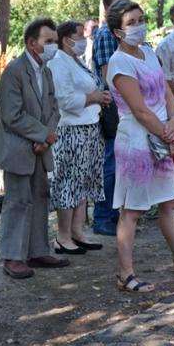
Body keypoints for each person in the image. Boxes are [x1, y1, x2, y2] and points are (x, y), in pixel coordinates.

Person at [105, 0, 174, 293]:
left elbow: (166, 91)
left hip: (163, 132)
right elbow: (139, 110)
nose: (139, 26)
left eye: (141, 20)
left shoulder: (147, 51)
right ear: (118, 31)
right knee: (132, 210)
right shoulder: (119, 62)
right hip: (137, 141)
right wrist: (170, 135)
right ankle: (125, 274)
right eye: (131, 23)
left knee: (170, 202)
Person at [0, 18, 68, 279]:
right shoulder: (14, 70)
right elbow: (11, 114)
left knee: (39, 197)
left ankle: (37, 251)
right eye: (49, 41)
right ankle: (12, 257)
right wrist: (42, 133)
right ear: (31, 43)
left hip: (40, 147)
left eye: (55, 41)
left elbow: (54, 107)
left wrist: (46, 137)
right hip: (16, 149)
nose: (53, 46)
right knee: (18, 201)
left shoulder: (45, 71)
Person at [47, 21, 110, 254]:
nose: (84, 40)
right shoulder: (58, 62)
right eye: (80, 35)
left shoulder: (76, 60)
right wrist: (95, 98)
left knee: (83, 183)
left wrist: (99, 96)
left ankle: (78, 232)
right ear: (66, 39)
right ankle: (63, 237)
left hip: (89, 127)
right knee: (69, 183)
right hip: (72, 130)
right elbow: (64, 100)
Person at [91, 0, 130, 236]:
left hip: (124, 103)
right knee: (110, 164)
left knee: (120, 164)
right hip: (113, 106)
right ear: (106, 10)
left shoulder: (123, 33)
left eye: (125, 3)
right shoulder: (106, 34)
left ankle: (115, 214)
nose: (122, 9)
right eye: (117, 5)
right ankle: (103, 217)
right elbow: (110, 77)